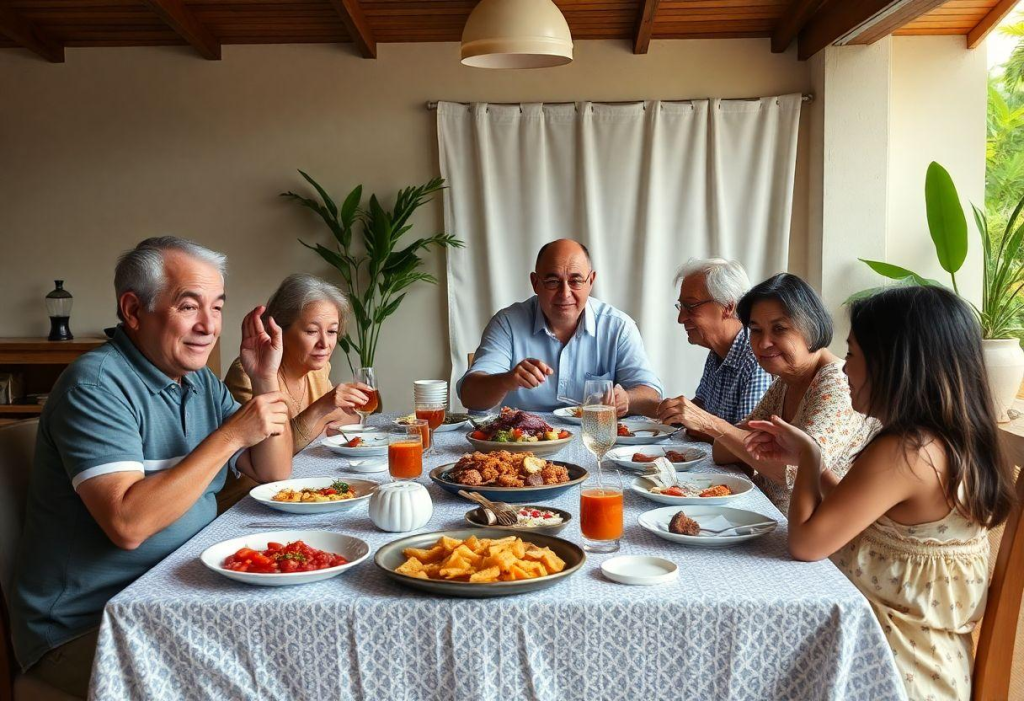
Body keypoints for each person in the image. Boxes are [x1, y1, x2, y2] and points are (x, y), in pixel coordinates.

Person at [10, 236, 295, 699]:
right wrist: (229, 436)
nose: (209, 326)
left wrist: (264, 379)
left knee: (286, 654)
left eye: (218, 307)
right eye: (188, 306)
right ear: (133, 310)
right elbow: (128, 524)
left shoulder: (199, 381)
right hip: (90, 623)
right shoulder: (97, 385)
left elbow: (272, 471)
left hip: (179, 589)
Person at [743, 286, 1016, 701]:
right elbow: (856, 514)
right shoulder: (943, 442)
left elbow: (806, 543)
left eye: (852, 354)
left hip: (892, 672)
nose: (844, 369)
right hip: (935, 663)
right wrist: (809, 459)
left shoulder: (905, 451)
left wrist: (811, 460)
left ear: (894, 361)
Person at [657, 273, 874, 511]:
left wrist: (710, 423)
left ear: (812, 325)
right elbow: (722, 452)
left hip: (807, 534)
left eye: (779, 329)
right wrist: (749, 445)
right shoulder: (786, 380)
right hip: (763, 512)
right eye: (756, 330)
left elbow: (791, 474)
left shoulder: (838, 384)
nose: (763, 343)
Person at [458, 239, 663, 416]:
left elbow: (651, 395)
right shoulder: (508, 323)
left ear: (591, 281)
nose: (565, 294)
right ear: (535, 283)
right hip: (522, 449)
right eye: (553, 281)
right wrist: (506, 380)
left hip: (595, 438)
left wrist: (627, 398)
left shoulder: (618, 326)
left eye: (575, 281)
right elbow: (469, 396)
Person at [224, 273, 371, 452]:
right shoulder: (248, 374)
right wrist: (322, 409)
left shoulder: (319, 369)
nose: (324, 344)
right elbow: (266, 456)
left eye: (332, 331)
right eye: (311, 331)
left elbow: (349, 419)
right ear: (278, 330)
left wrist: (323, 418)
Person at [656, 258, 772, 440]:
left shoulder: (756, 359)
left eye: (691, 306)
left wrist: (700, 421)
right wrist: (677, 411)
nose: (681, 318)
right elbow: (701, 406)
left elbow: (749, 442)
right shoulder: (716, 352)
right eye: (681, 306)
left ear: (728, 307)